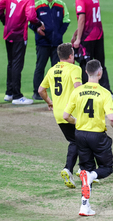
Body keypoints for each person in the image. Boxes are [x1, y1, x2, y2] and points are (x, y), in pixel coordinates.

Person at [63, 59, 113, 216]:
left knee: (85, 169)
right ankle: (91, 176)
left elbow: (65, 115)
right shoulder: (104, 93)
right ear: (100, 73)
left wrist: (77, 121)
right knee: (106, 168)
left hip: (80, 135)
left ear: (85, 72)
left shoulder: (77, 92)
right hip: (97, 136)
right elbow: (111, 118)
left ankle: (85, 207)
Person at [38, 43, 82, 188]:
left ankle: (78, 169)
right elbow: (78, 88)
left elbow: (41, 90)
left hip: (58, 113)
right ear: (70, 56)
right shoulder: (75, 69)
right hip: (72, 113)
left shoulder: (52, 70)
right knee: (83, 140)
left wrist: (50, 102)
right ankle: (74, 169)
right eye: (73, 54)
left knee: (76, 141)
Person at [0, 0, 44, 104]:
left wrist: (4, 21)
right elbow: (31, 16)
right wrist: (39, 23)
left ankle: (9, 93)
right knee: (17, 64)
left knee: (11, 63)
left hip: (8, 32)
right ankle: (17, 96)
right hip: (19, 34)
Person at [71, 0, 113, 100]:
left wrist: (78, 38)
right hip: (99, 35)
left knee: (85, 65)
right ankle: (108, 93)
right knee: (101, 64)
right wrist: (77, 32)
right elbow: (90, 19)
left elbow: (82, 18)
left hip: (88, 37)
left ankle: (87, 93)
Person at [29, 0, 70, 100]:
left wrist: (59, 33)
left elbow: (66, 20)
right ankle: (37, 93)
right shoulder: (37, 6)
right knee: (40, 67)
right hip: (42, 43)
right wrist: (36, 29)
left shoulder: (60, 5)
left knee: (57, 69)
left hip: (57, 44)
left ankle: (57, 92)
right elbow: (30, 22)